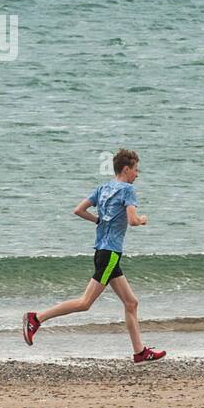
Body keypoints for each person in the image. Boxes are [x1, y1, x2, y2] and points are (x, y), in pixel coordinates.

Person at [22, 149, 165, 363]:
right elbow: (133, 221)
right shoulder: (127, 190)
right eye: (136, 170)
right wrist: (143, 219)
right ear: (126, 169)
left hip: (102, 252)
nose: (137, 174)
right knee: (85, 302)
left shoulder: (103, 188)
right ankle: (37, 318)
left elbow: (78, 210)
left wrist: (98, 220)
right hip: (110, 255)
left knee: (131, 302)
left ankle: (140, 352)